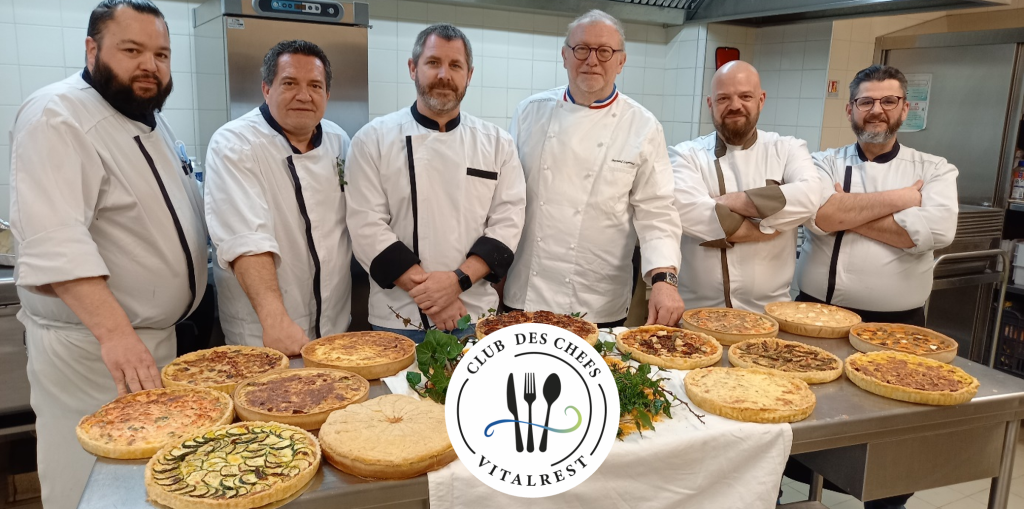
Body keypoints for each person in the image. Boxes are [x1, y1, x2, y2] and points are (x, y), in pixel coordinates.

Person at [7, 1, 206, 506]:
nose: (150, 66)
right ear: (93, 49)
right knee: (93, 482)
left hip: (150, 343)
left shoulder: (150, 123)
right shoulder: (58, 114)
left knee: (147, 482)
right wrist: (116, 336)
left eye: (161, 54)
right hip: (96, 349)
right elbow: (56, 240)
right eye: (132, 50)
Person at [793, 64, 958, 509]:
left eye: (888, 101)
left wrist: (851, 214)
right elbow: (822, 216)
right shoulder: (822, 162)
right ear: (850, 109)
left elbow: (930, 233)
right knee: (807, 428)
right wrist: (905, 200)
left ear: (905, 107)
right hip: (815, 320)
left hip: (897, 327)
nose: (876, 111)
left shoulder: (936, 170)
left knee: (891, 442)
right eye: (866, 101)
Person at [346, 23, 526, 342]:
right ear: (413, 68)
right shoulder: (372, 139)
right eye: (433, 63)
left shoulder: (497, 143)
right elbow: (366, 226)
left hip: (473, 314)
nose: (444, 75)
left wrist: (455, 283)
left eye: (455, 65)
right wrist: (434, 298)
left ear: (469, 74)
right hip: (397, 318)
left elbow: (507, 224)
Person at [505, 10, 684, 328]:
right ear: (564, 55)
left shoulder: (642, 126)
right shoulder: (529, 113)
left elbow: (657, 212)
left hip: (598, 299)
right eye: (581, 49)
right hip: (526, 292)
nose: (592, 60)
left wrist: (664, 281)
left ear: (621, 61)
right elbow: (507, 200)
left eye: (604, 51)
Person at [205, 40, 352, 354]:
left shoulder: (340, 141)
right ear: (266, 89)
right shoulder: (235, 143)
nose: (303, 95)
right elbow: (247, 239)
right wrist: (275, 320)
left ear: (327, 94)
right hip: (265, 333)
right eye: (289, 83)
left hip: (334, 327)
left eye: (315, 85)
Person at [669, 60, 821, 311]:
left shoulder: (788, 149)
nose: (735, 105)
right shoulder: (685, 155)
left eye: (745, 96)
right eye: (723, 99)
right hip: (697, 313)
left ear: (761, 99)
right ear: (710, 104)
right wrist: (766, 228)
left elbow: (808, 197)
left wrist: (728, 202)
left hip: (770, 313)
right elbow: (688, 211)